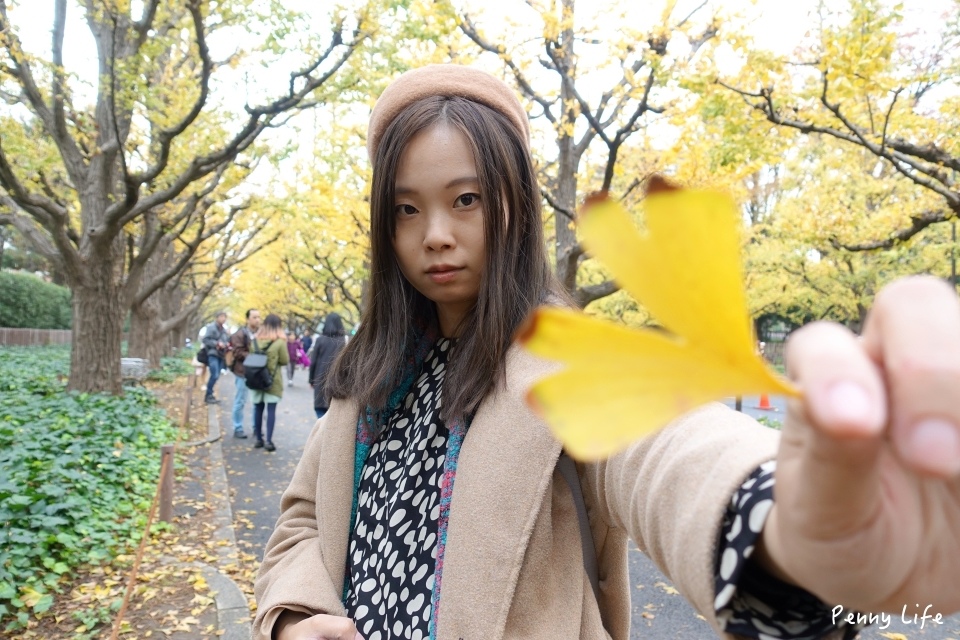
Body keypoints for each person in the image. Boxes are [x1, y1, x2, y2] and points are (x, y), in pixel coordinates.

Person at [253, 65, 960, 640]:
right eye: (407, 209)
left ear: (512, 205)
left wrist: (787, 525)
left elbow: (669, 456)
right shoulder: (369, 379)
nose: (434, 233)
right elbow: (305, 518)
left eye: (464, 199)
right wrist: (294, 619)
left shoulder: (570, 360)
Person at [249, 314, 289, 452]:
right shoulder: (279, 342)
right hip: (272, 380)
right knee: (271, 410)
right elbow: (284, 361)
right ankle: (269, 441)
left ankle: (258, 439)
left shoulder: (255, 341)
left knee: (258, 409)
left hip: (255, 379)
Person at [307, 313, 347, 420]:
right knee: (332, 411)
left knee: (320, 410)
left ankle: (322, 432)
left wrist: (311, 380)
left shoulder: (320, 340)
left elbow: (313, 362)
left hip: (320, 379)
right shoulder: (344, 341)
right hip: (337, 381)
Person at [229, 309, 262, 439]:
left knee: (257, 402)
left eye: (259, 317)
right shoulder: (240, 334)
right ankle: (238, 428)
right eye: (254, 317)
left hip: (256, 372)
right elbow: (237, 352)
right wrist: (254, 356)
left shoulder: (261, 334)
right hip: (242, 372)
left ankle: (256, 427)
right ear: (248, 319)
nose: (257, 320)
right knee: (240, 400)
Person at [201, 311, 229, 404]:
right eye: (221, 316)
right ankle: (208, 395)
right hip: (213, 354)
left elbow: (226, 340)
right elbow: (205, 339)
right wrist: (216, 343)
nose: (223, 319)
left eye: (224, 317)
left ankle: (210, 394)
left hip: (221, 355)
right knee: (215, 374)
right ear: (217, 317)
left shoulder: (224, 330)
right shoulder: (211, 327)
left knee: (216, 376)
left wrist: (225, 344)